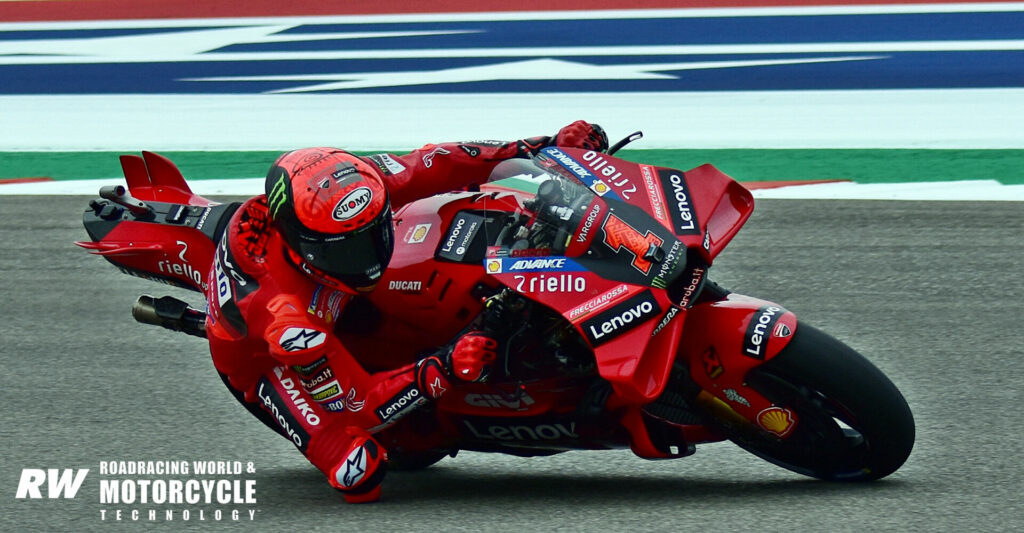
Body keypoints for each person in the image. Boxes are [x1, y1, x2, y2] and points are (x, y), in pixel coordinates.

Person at [204, 121, 609, 503]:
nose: (367, 255)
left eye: (372, 233)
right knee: (356, 470)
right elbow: (357, 404)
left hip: (337, 295)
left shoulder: (362, 187)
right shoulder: (285, 319)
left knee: (465, 205)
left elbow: (442, 160)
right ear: (305, 248)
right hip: (267, 360)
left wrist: (541, 146)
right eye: (348, 249)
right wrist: (443, 367)